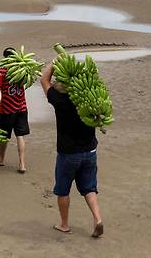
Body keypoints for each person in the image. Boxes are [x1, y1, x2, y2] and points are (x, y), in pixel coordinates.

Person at [40, 62, 104, 238]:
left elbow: (44, 80)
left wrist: (54, 64)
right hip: (90, 151)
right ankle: (97, 218)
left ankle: (64, 224)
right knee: (89, 188)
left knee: (63, 190)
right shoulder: (90, 99)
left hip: (69, 154)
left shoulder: (59, 100)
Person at [0, 47, 29, 173]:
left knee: (4, 136)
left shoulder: (1, 71)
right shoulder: (22, 69)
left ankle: (1, 159)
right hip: (22, 107)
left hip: (7, 110)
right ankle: (22, 164)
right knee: (20, 135)